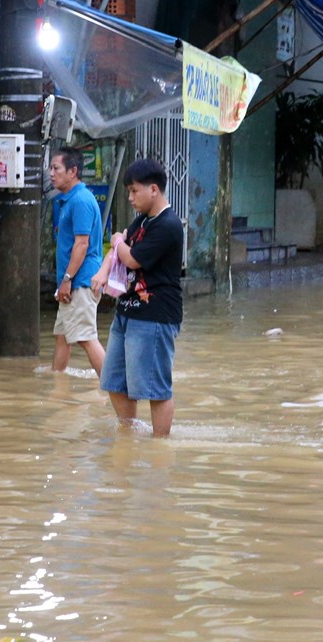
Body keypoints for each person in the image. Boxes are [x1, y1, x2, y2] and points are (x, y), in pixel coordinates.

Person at [91, 159, 184, 436]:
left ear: (153, 189)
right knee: (114, 382)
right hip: (127, 311)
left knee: (156, 388)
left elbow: (130, 258)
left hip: (155, 314)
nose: (130, 198)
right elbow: (119, 244)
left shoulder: (168, 225)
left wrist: (119, 242)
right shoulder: (144, 220)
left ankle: (159, 445)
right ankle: (129, 436)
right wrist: (103, 270)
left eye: (134, 191)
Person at [50, 147, 106, 376]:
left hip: (80, 282)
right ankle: (57, 384)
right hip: (74, 282)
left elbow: (81, 245)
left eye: (56, 168)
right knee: (63, 337)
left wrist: (66, 279)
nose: (51, 173)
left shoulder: (81, 200)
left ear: (72, 171)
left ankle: (112, 385)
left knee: (85, 338)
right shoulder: (70, 200)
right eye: (50, 168)